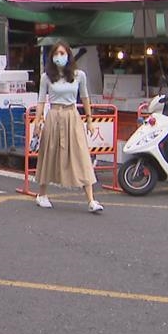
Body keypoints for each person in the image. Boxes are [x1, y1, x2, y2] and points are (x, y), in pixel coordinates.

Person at [31, 41, 104, 214]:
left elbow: (85, 98)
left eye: (62, 53)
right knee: (49, 153)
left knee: (81, 154)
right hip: (54, 115)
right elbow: (41, 100)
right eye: (56, 54)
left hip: (72, 116)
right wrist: (37, 121)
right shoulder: (46, 77)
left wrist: (90, 120)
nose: (59, 57)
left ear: (69, 55)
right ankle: (42, 194)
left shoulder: (79, 75)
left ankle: (91, 200)